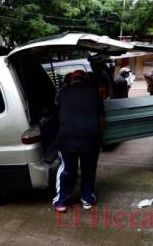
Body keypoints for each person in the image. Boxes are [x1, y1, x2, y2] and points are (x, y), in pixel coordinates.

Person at [52, 70, 105, 212]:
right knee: (89, 169)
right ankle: (87, 198)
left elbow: (58, 114)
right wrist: (100, 136)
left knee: (67, 169)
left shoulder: (62, 92)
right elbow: (101, 118)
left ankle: (61, 200)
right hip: (90, 138)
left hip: (67, 137)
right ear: (85, 80)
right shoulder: (94, 93)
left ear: (71, 80)